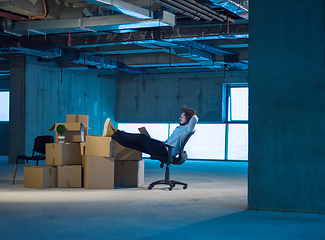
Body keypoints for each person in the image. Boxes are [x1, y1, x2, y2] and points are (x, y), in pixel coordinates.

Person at [104, 107, 198, 160]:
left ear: (189, 119)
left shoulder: (187, 129)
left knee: (141, 138)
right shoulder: (181, 127)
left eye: (182, 117)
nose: (180, 118)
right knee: (136, 145)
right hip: (164, 147)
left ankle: (116, 131)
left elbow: (194, 119)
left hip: (166, 151)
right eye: (180, 116)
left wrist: (192, 115)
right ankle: (113, 135)